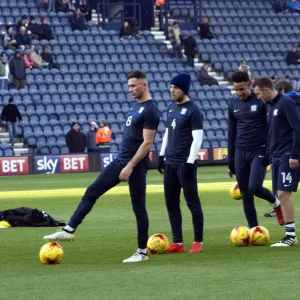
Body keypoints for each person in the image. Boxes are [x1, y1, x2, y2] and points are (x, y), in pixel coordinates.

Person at [43, 71, 160, 263]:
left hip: (136, 164)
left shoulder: (151, 110)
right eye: (129, 86)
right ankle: (69, 230)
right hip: (121, 160)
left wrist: (130, 165)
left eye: (133, 85)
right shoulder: (135, 107)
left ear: (144, 85)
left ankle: (141, 252)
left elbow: (147, 143)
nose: (130, 89)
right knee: (92, 190)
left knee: (138, 207)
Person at [228, 71, 284, 229]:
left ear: (249, 84)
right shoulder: (233, 104)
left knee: (254, 187)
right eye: (236, 90)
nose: (239, 93)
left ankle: (276, 204)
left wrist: (270, 151)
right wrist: (230, 158)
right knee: (246, 195)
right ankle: (254, 229)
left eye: (242, 89)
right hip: (240, 151)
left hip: (259, 150)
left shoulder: (260, 102)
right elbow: (231, 132)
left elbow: (270, 127)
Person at [157, 74, 204, 254]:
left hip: (185, 163)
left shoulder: (194, 111)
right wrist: (161, 154)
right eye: (170, 88)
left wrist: (190, 162)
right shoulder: (171, 108)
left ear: (184, 89)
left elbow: (197, 139)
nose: (172, 91)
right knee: (171, 203)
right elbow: (168, 133)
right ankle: (177, 242)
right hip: (170, 162)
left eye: (175, 88)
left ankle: (198, 242)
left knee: (192, 202)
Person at [254, 76, 300, 247]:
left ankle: (290, 235)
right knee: (279, 194)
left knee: (283, 194)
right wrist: (271, 157)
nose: (258, 97)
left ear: (267, 90)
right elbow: (273, 134)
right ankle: (289, 235)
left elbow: (297, 129)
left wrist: (294, 154)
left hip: (288, 155)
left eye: (259, 94)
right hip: (277, 156)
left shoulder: (286, 103)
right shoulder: (269, 107)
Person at [264, 79, 300, 218]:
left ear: (282, 91)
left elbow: (295, 128)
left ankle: (289, 229)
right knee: (282, 190)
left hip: (290, 149)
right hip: (286, 149)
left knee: (282, 190)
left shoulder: (286, 103)